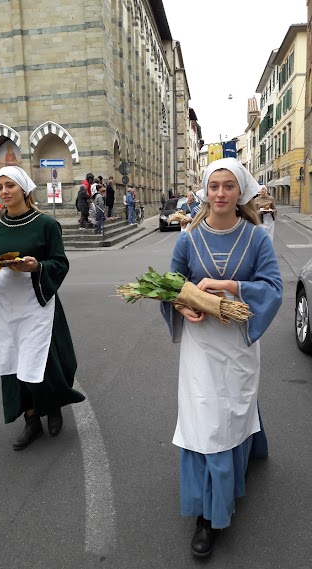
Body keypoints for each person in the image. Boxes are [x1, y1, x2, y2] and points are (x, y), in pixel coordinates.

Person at [161, 157, 283, 558]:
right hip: (200, 345)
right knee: (203, 421)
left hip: (238, 344)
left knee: (231, 415)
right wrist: (182, 305)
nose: (219, 194)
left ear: (240, 191)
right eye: (213, 186)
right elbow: (170, 286)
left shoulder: (258, 238)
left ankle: (231, 481)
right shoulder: (188, 239)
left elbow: (272, 288)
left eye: (228, 186)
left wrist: (227, 285)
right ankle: (207, 515)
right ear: (204, 191)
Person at [0, 166, 85, 450]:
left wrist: (37, 266)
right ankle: (31, 420)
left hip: (38, 302)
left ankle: (52, 407)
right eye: (0, 186)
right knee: (12, 363)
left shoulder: (46, 224)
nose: (5, 191)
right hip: (5, 307)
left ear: (24, 189)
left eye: (10, 186)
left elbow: (60, 262)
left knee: (44, 362)